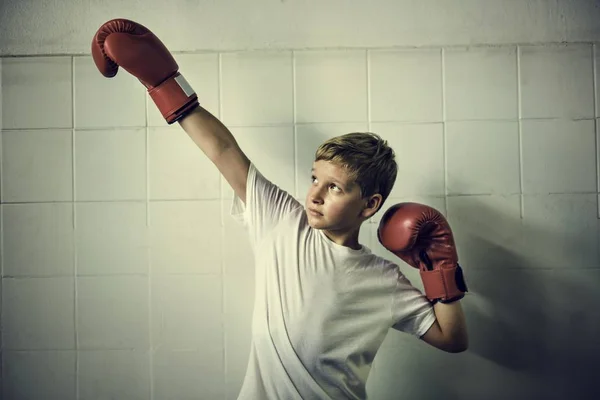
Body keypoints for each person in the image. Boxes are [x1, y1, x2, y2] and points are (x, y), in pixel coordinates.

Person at [91, 18, 469, 400]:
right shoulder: (284, 223)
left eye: (334, 187)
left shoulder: (383, 279)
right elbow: (224, 151)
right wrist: (163, 83)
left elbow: (452, 339)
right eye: (314, 179)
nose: (315, 195)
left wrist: (439, 269)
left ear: (369, 205)